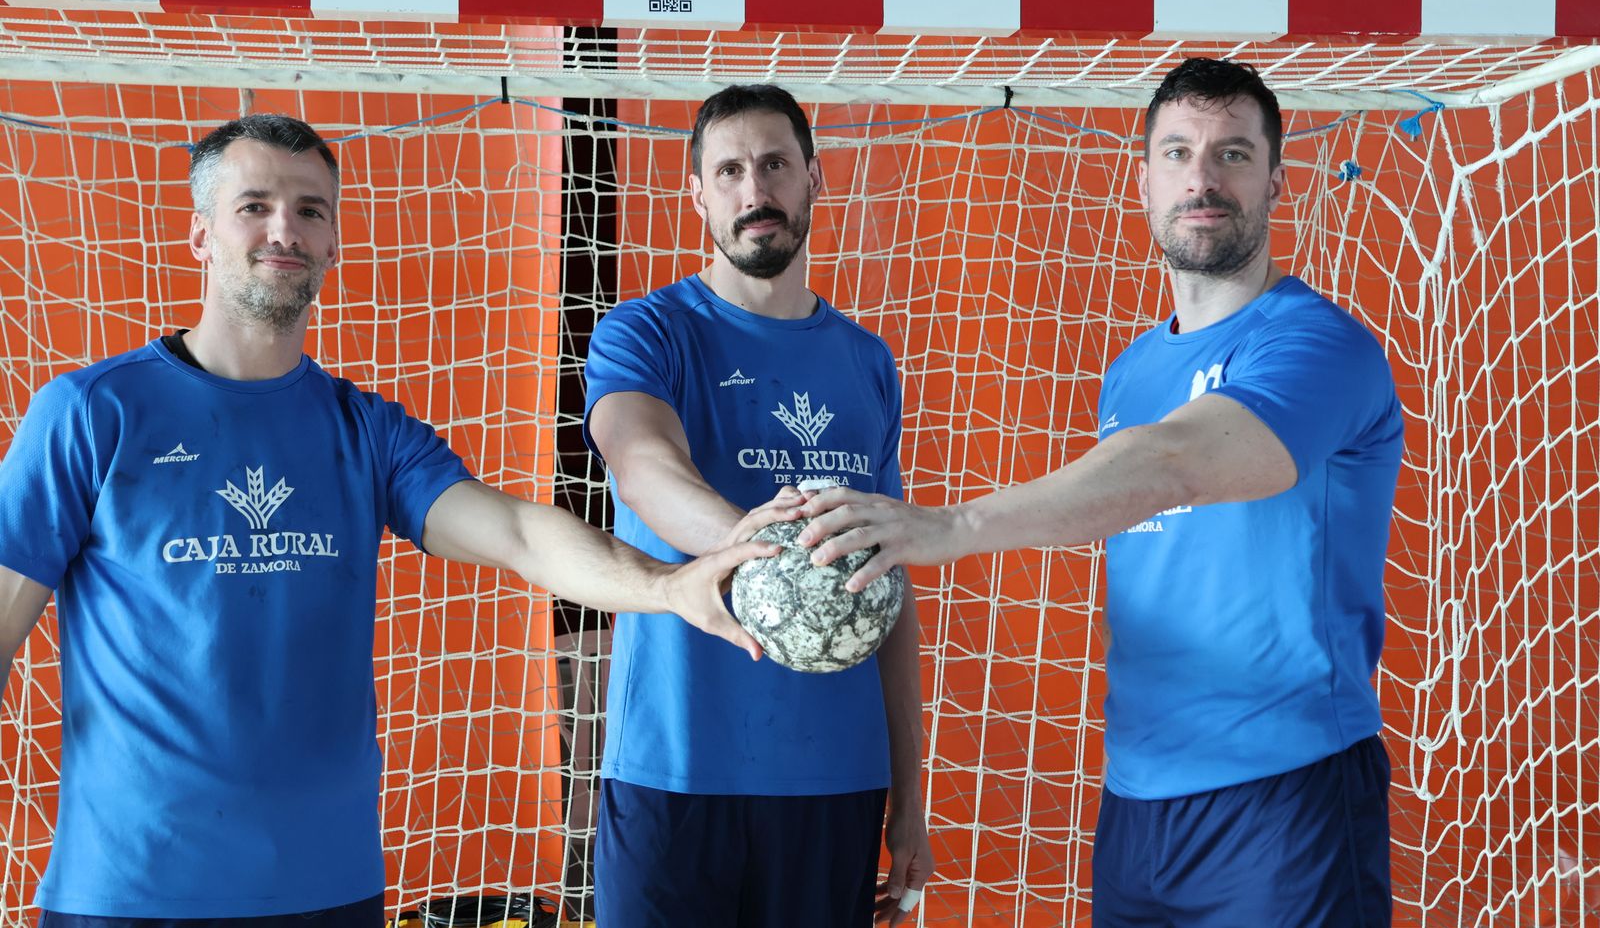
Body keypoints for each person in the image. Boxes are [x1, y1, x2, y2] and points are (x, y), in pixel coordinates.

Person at [0, 114, 782, 926]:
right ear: (200, 233)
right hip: (129, 896)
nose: (284, 230)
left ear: (334, 242)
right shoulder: (89, 413)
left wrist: (670, 585)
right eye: (254, 205)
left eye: (311, 210)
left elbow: (517, 533)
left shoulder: (364, 430)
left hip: (330, 895)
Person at [798, 58, 1403, 926]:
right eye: (1178, 153)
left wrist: (951, 525)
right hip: (1137, 805)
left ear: (1276, 178)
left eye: (1233, 154)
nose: (1202, 177)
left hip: (1284, 798)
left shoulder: (1321, 347)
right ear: (1144, 181)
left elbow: (1177, 462)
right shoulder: (1131, 373)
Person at [582, 84, 934, 927]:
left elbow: (890, 584)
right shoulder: (645, 332)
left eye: (775, 165)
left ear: (813, 178)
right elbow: (643, 466)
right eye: (729, 171)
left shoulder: (866, 361)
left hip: (833, 776)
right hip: (676, 767)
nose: (754, 191)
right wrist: (756, 546)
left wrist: (912, 799)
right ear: (697, 193)